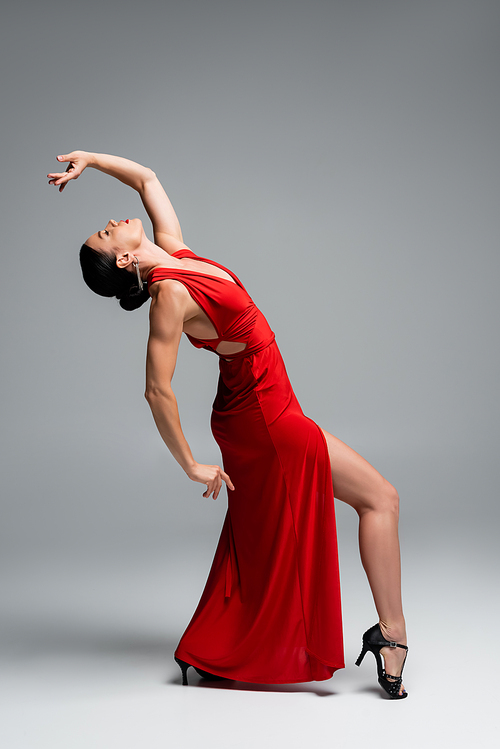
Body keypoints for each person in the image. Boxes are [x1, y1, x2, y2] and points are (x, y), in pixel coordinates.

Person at [48, 150, 408, 699]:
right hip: (265, 417)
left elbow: (146, 178)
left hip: (262, 407)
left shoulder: (174, 254)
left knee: (263, 532)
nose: (112, 222)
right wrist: (191, 464)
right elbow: (156, 389)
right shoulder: (168, 295)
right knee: (380, 498)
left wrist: (90, 160)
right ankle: (392, 638)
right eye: (105, 233)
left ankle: (221, 643)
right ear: (123, 261)